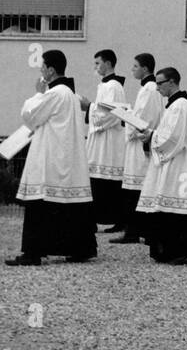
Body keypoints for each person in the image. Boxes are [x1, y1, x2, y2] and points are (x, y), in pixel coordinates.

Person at [6, 51, 94, 266]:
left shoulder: (54, 93)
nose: (41, 71)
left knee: (41, 205)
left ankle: (33, 253)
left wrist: (38, 93)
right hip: (65, 156)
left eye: (42, 67)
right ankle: (78, 250)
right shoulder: (70, 94)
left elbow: (30, 116)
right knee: (67, 206)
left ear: (51, 70)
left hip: (51, 157)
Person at [134, 67, 187, 264]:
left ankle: (178, 251)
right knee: (169, 209)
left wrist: (151, 135)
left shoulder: (180, 106)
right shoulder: (173, 105)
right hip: (174, 163)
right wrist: (152, 134)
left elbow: (173, 139)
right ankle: (168, 251)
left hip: (179, 166)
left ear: (172, 82)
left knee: (176, 208)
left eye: (160, 83)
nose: (157, 88)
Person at [112, 53, 164, 244]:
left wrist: (126, 118)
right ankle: (136, 230)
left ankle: (134, 231)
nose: (132, 70)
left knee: (137, 189)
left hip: (140, 143)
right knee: (136, 188)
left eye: (135, 66)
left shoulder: (150, 89)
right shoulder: (148, 88)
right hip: (139, 142)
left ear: (145, 68)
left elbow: (145, 120)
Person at [82, 50, 128, 233]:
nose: (95, 67)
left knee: (106, 182)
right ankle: (96, 219)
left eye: (97, 63)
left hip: (109, 142)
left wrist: (88, 106)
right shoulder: (105, 85)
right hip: (100, 140)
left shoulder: (113, 86)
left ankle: (117, 220)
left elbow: (112, 114)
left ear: (108, 64)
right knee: (97, 180)